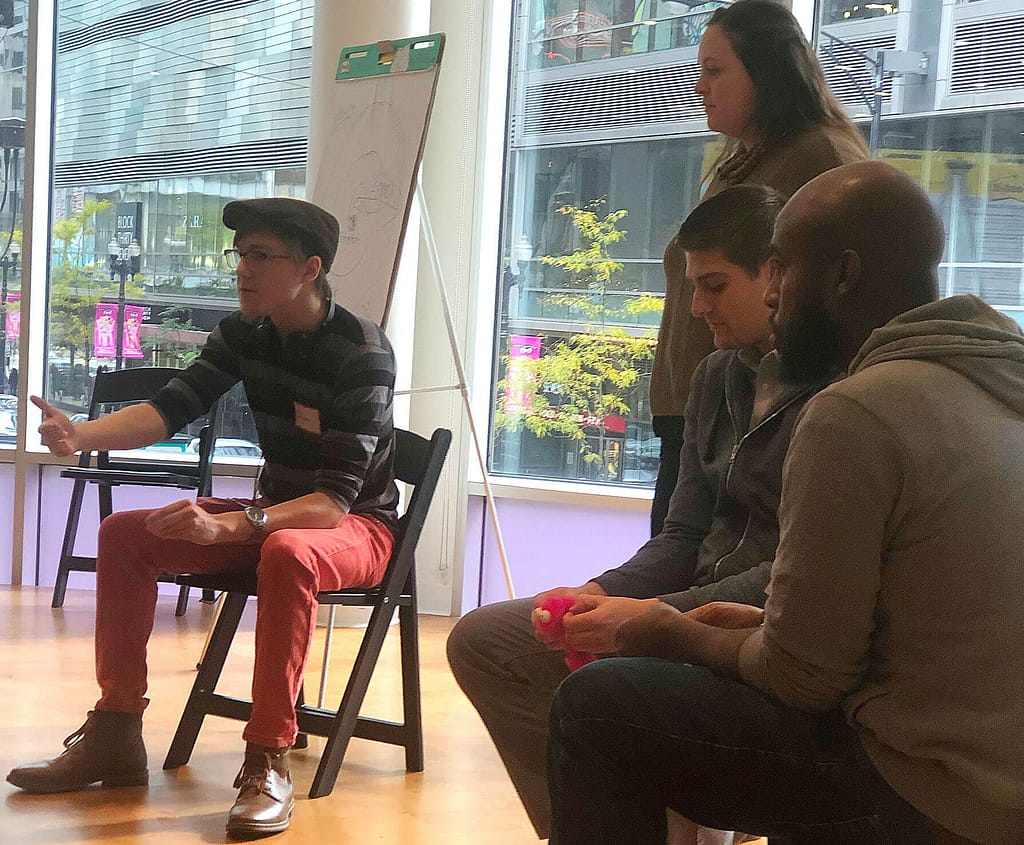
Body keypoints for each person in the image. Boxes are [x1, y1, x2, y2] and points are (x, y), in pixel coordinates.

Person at [547, 161, 1024, 844]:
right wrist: (747, 625)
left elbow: (804, 678)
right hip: (999, 771)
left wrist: (670, 630)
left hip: (932, 790)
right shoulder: (994, 382)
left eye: (783, 269)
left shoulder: (859, 410)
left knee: (598, 706)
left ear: (843, 275)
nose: (772, 295)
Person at [448, 184, 841, 840]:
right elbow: (682, 533)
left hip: (764, 630)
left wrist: (656, 617)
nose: (696, 306)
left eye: (714, 285)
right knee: (484, 640)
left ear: (774, 276)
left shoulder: (843, 398)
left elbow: (790, 576)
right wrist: (601, 591)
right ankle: (602, 820)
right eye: (691, 286)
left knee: (615, 681)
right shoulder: (715, 375)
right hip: (691, 608)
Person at [7, 197, 399, 839]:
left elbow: (332, 503)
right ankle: (116, 731)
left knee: (289, 551)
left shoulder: (362, 352)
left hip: (355, 527)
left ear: (310, 268)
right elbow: (171, 408)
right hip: (274, 515)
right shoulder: (243, 332)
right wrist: (81, 435)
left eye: (261, 256)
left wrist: (233, 525)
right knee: (125, 534)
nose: (243, 269)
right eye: (239, 255)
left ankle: (268, 758)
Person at [650, 0, 868, 535]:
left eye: (715, 70)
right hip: (703, 410)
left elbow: (848, 302)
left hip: (759, 421)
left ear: (766, 70)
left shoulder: (822, 159)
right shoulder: (743, 159)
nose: (700, 85)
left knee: (710, 565)